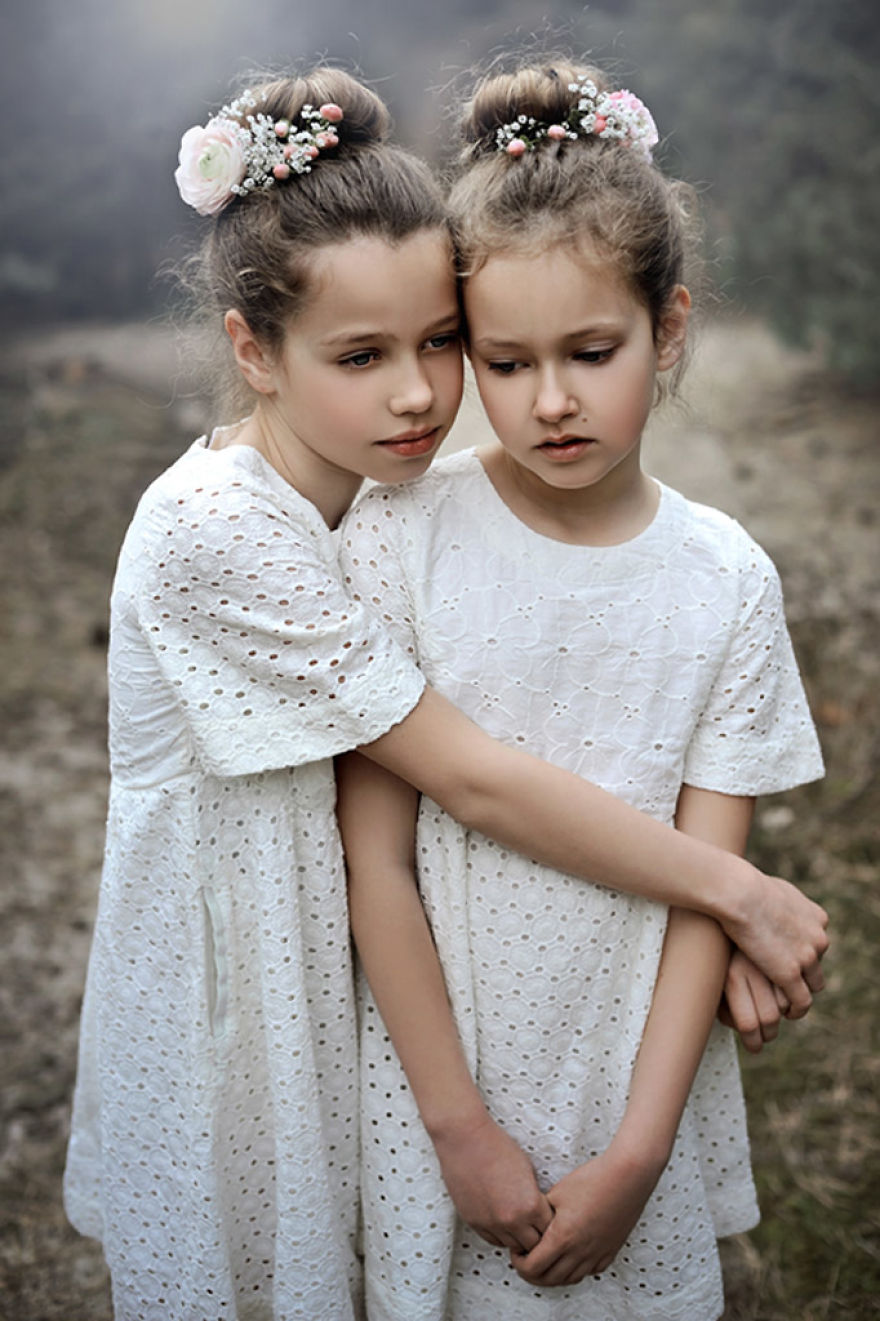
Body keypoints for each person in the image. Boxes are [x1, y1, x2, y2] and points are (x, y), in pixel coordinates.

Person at [63, 65, 826, 1321]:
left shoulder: (380, 502)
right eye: (365, 354)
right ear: (251, 349)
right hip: (251, 977)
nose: (421, 394)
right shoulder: (234, 528)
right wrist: (739, 894)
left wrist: (704, 926)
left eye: (437, 342)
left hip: (372, 960)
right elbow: (462, 778)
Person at [335, 61, 826, 1320]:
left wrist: (640, 1152)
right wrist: (455, 1127)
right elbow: (373, 860)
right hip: (440, 1066)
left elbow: (706, 886)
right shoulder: (402, 535)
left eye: (591, 351)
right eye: (502, 363)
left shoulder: (724, 579)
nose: (548, 401)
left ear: (666, 329)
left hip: (629, 1068)